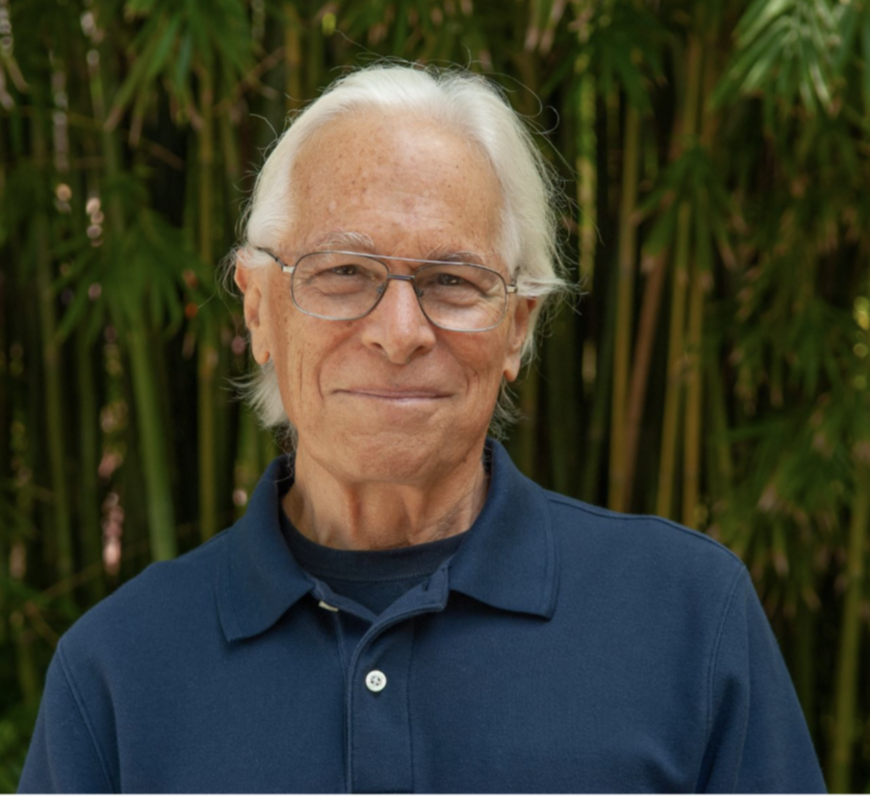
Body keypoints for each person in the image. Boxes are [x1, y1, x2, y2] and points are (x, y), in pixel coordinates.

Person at [19, 64, 826, 794]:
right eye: (343, 273)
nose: (399, 331)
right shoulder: (119, 672)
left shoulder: (687, 618)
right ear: (258, 309)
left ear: (517, 327)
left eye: (451, 280)